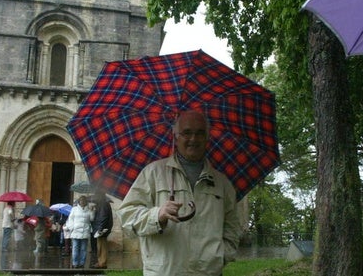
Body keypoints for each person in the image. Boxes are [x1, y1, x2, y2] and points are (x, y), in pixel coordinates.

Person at [118, 110, 241, 276]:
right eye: (187, 132)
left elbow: (232, 227)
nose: (193, 139)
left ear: (207, 138)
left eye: (199, 133)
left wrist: (221, 256)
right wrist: (157, 215)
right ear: (175, 137)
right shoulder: (153, 173)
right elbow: (127, 217)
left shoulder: (222, 183)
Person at [65, 195, 94, 269]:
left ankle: (81, 263)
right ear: (79, 201)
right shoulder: (74, 209)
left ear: (86, 202)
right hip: (76, 231)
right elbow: (70, 219)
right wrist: (72, 227)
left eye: (84, 200)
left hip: (85, 231)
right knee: (75, 248)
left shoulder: (89, 209)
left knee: (84, 249)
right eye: (81, 200)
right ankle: (75, 263)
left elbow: (92, 219)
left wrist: (92, 211)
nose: (83, 202)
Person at [91, 190, 113, 269]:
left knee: (102, 246)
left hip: (101, 229)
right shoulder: (102, 204)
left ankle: (102, 262)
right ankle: (101, 261)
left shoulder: (103, 204)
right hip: (102, 228)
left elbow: (103, 217)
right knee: (100, 245)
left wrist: (99, 229)